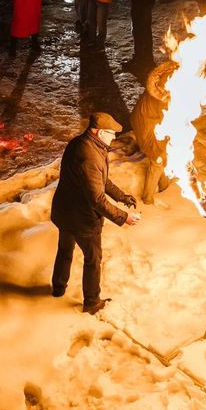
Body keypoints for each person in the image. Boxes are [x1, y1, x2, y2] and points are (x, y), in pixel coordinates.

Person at [51, 112, 142, 314]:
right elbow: (97, 199)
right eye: (111, 134)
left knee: (64, 250)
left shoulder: (81, 143)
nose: (113, 138)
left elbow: (101, 180)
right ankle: (92, 302)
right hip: (82, 219)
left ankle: (58, 288)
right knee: (92, 260)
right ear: (100, 132)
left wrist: (121, 196)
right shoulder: (90, 155)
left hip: (64, 211)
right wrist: (124, 217)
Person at [131, 62, 176, 204]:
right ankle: (148, 199)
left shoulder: (162, 85)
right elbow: (171, 122)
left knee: (165, 154)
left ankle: (164, 187)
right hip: (147, 127)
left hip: (151, 122)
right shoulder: (163, 98)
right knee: (158, 159)